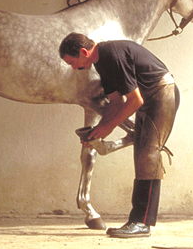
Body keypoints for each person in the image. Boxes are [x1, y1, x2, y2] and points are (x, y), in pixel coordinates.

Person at [59, 32, 180, 238]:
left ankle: (141, 223)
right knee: (141, 157)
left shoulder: (112, 54)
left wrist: (107, 128)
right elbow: (116, 103)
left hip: (161, 94)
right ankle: (137, 221)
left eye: (73, 62)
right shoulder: (101, 62)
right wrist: (96, 134)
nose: (74, 68)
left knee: (148, 157)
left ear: (83, 52)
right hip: (151, 98)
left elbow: (135, 100)